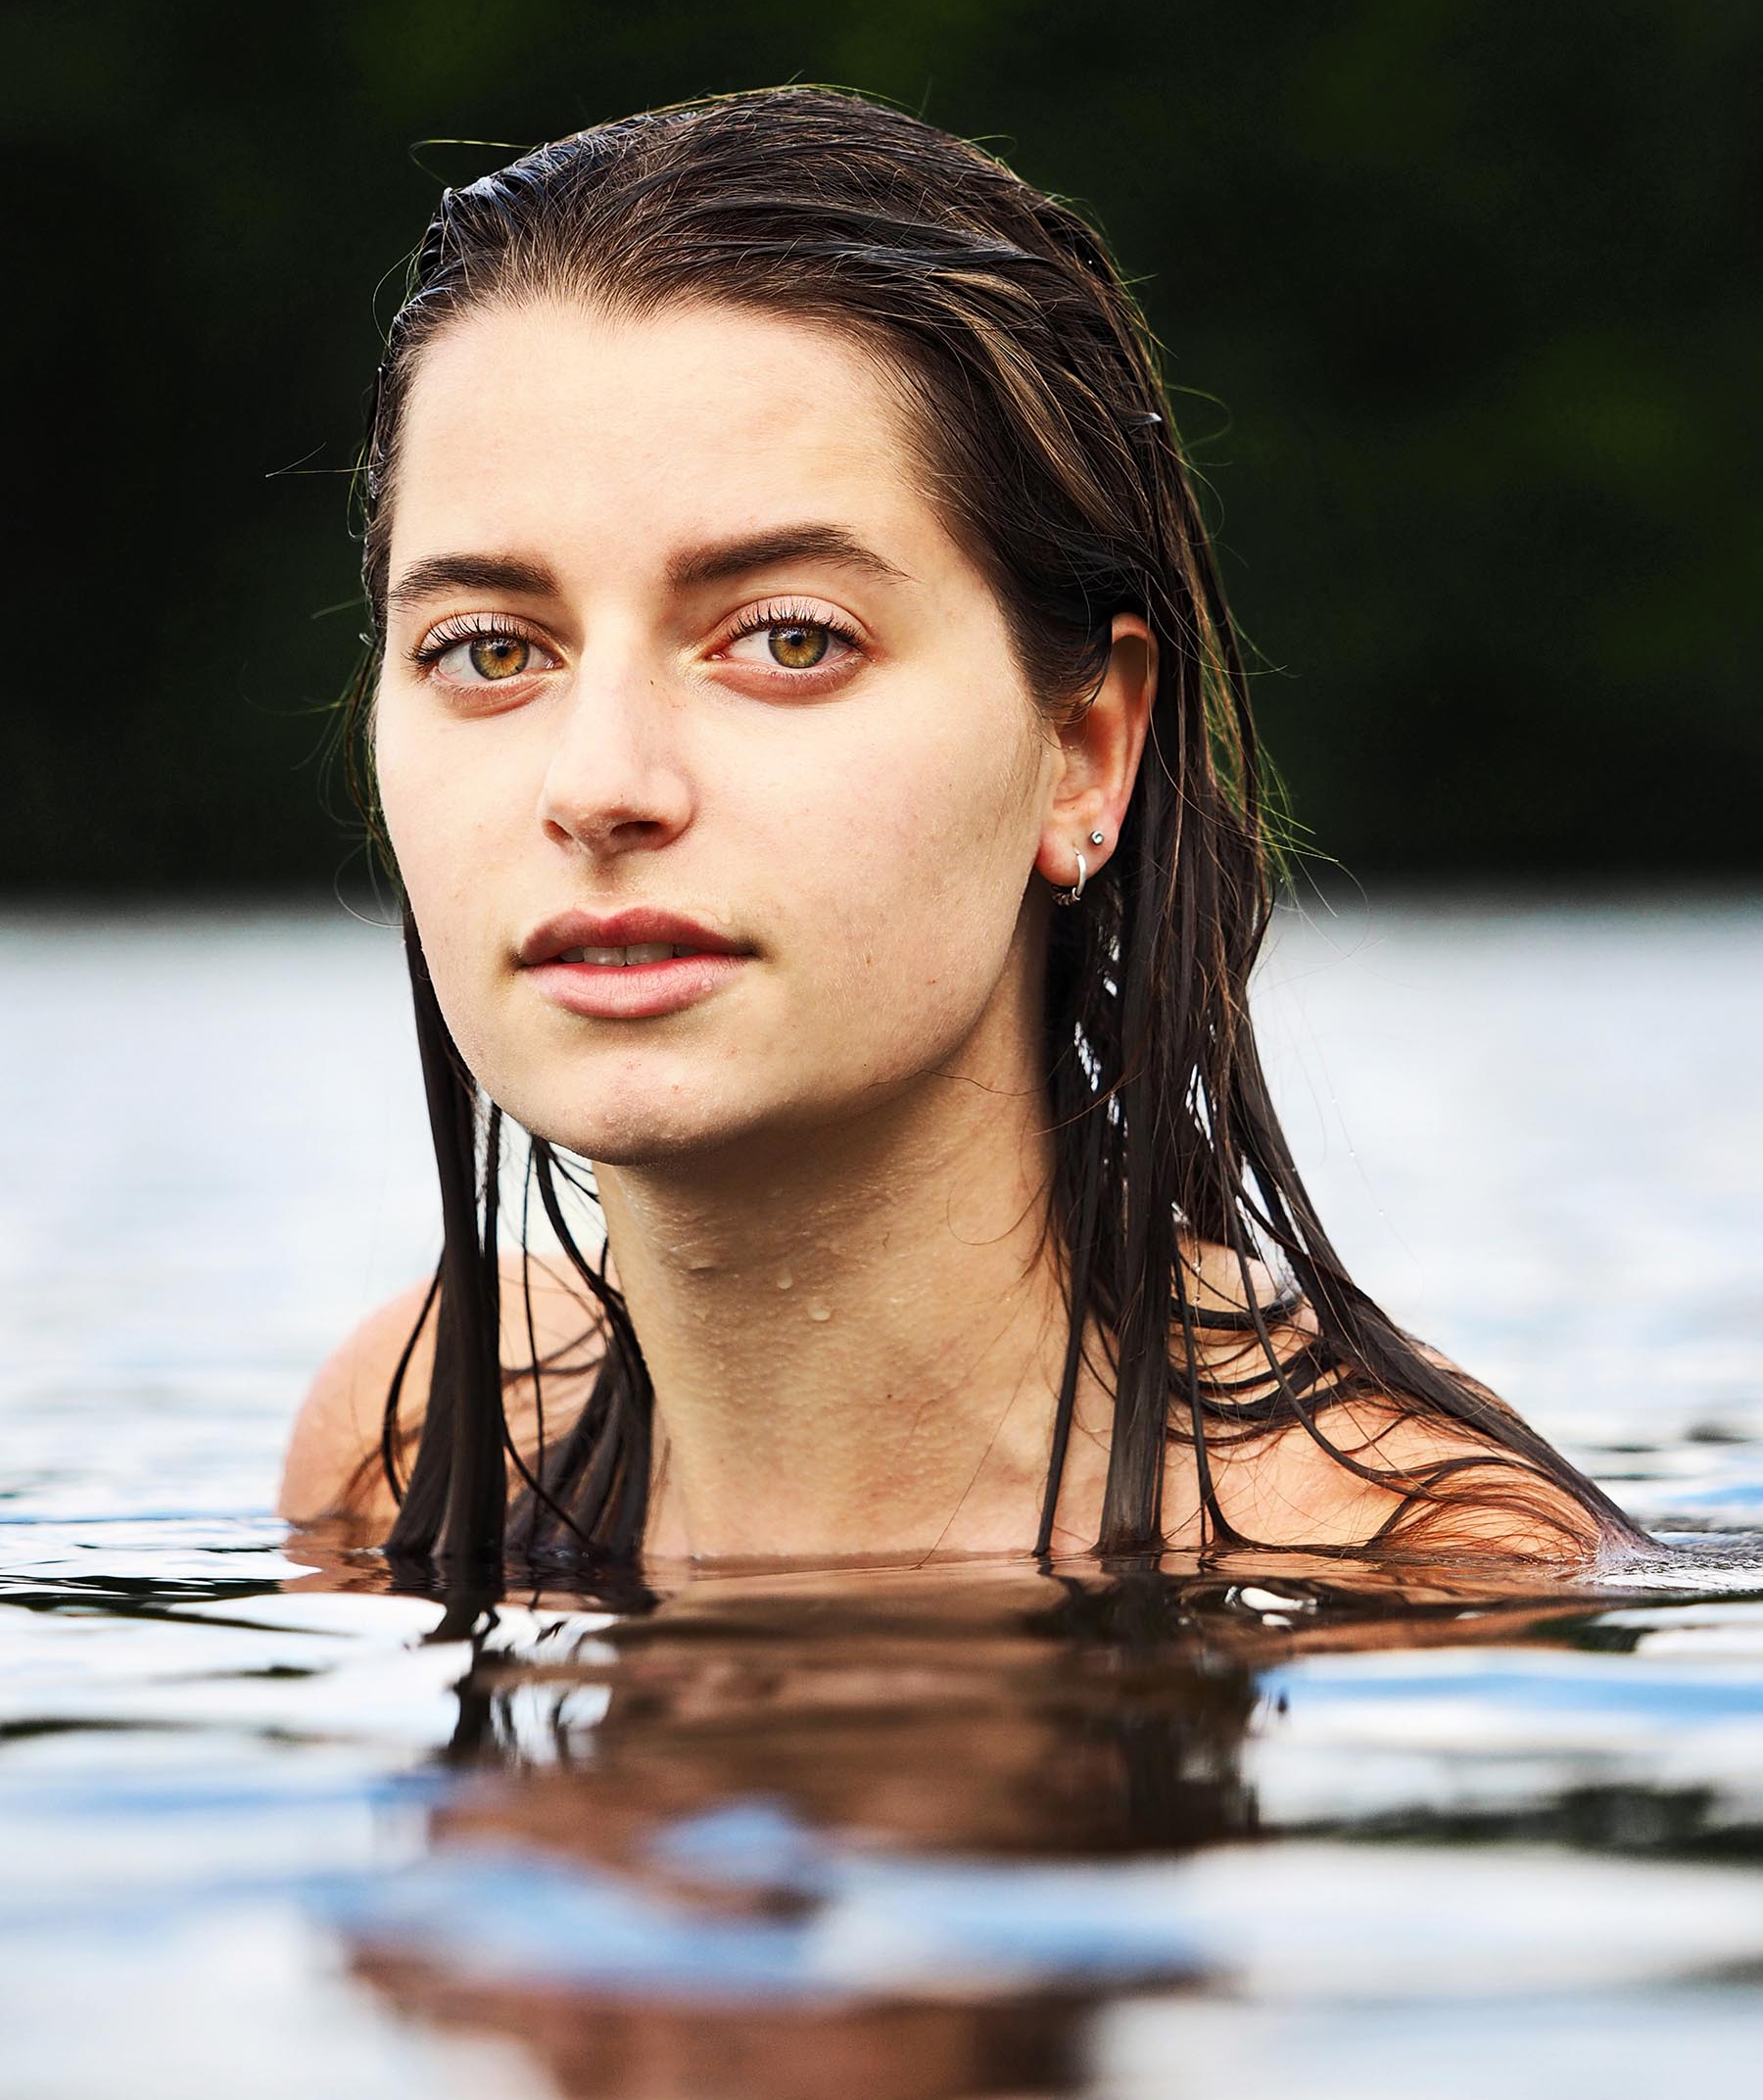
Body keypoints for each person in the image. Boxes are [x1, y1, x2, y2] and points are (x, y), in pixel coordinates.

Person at [280, 86, 1644, 1573]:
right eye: (489, 649)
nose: (601, 784)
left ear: (1085, 750)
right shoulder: (419, 1450)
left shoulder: (1419, 1559)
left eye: (788, 639)